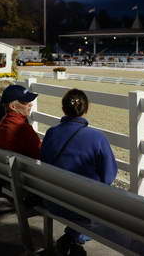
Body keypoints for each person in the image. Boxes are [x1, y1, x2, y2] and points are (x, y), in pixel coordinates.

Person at [42, 89, 117, 256]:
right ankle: (74, 237)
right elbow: (109, 176)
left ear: (63, 108)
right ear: (86, 109)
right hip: (82, 205)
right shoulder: (97, 137)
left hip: (52, 199)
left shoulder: (51, 133)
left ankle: (72, 237)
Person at [0, 84, 41, 159]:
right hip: (25, 169)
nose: (30, 104)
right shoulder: (22, 128)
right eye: (25, 102)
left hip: (9, 168)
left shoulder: (4, 122)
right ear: (13, 107)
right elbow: (40, 154)